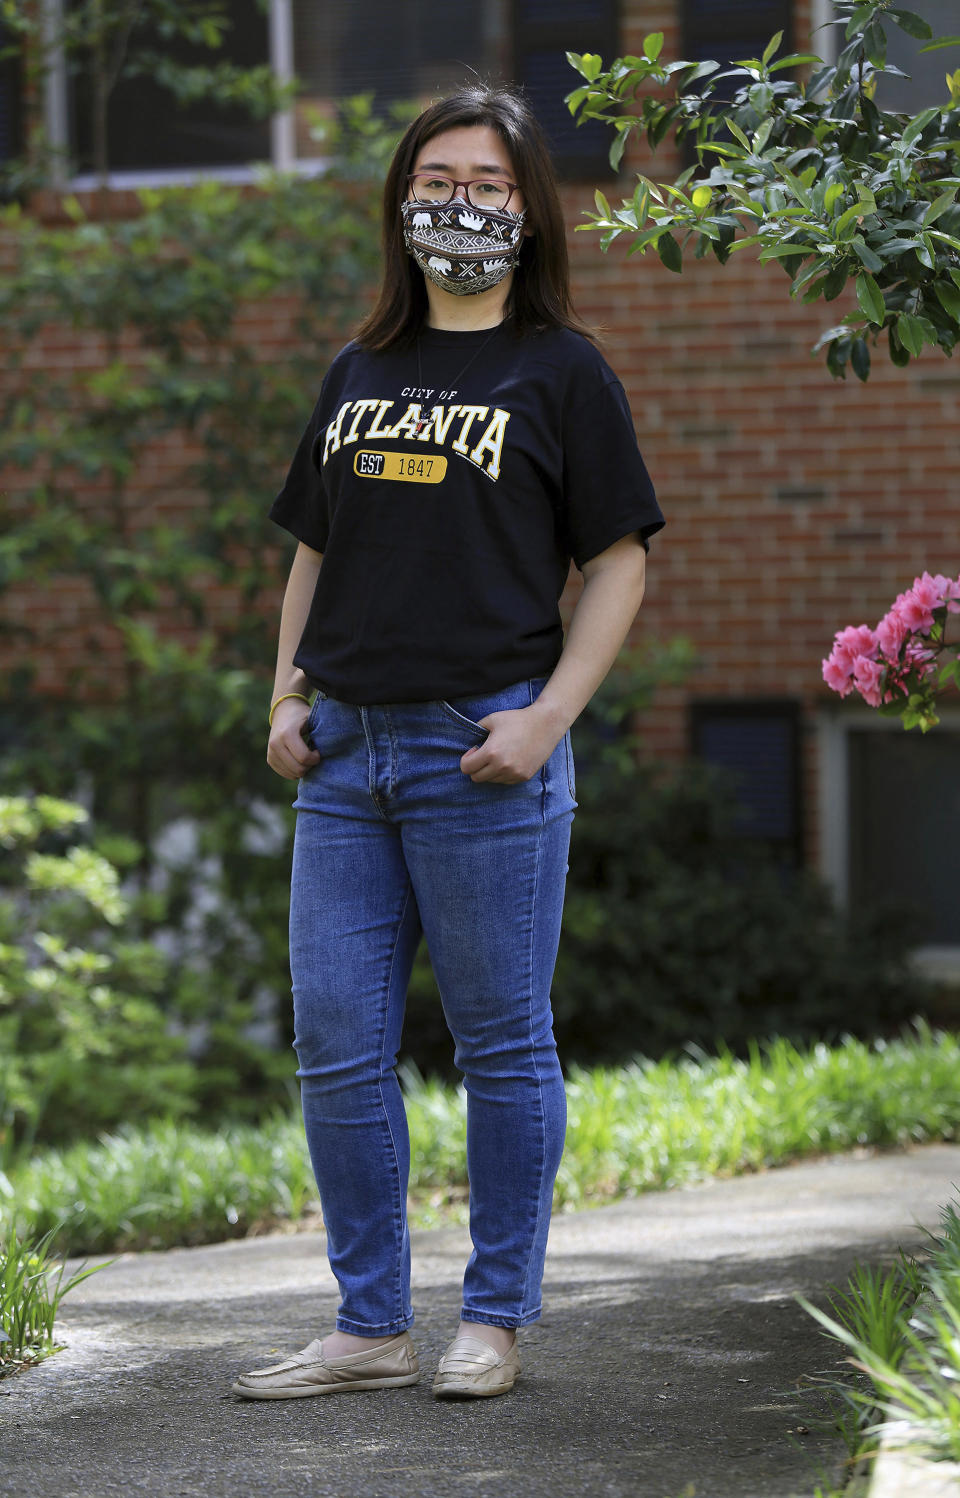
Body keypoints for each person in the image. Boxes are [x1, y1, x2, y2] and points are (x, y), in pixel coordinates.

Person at [232, 82, 664, 1404]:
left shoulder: (563, 371)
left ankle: (495, 1317)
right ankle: (369, 1322)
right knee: (341, 1046)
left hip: (483, 759)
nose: (458, 203)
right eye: (436, 181)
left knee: (500, 1045)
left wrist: (548, 716)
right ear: (402, 202)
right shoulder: (359, 371)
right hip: (347, 764)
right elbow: (317, 548)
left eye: (485, 183)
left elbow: (619, 563)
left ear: (529, 209)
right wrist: (285, 693)